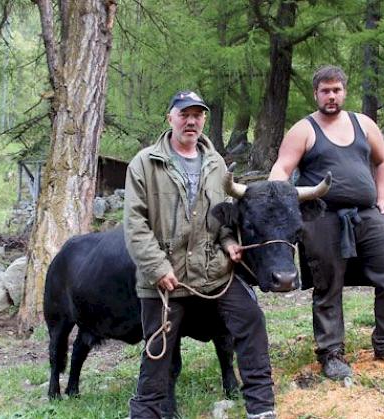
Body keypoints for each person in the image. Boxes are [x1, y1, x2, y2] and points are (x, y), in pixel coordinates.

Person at [124, 91, 276, 418]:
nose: (191, 121)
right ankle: (146, 412)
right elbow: (134, 226)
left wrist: (229, 244)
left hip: (214, 275)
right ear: (171, 118)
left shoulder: (216, 163)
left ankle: (262, 408)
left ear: (204, 119)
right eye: (184, 114)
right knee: (157, 356)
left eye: (198, 115)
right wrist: (157, 268)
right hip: (166, 281)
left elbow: (221, 218)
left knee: (251, 320)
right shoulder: (145, 163)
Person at [269, 65, 384, 381]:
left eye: (336, 89)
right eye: (325, 90)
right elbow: (281, 170)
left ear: (344, 91)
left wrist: (381, 197)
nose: (331, 95)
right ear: (316, 94)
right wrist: (280, 198)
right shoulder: (304, 129)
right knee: (328, 284)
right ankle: (331, 354)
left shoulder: (363, 124)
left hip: (367, 214)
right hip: (321, 217)